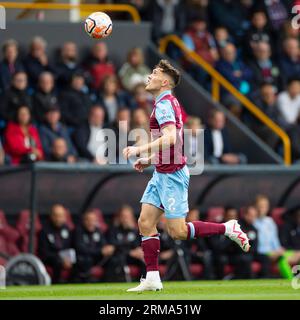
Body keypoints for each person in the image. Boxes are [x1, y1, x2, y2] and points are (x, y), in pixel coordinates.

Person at [123, 60, 250, 292]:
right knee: (145, 222)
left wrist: (140, 149)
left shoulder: (164, 105)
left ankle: (228, 228)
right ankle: (152, 277)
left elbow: (171, 138)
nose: (149, 75)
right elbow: (176, 142)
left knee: (178, 232)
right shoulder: (167, 102)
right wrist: (150, 160)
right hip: (161, 172)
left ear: (164, 82)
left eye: (154, 73)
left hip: (172, 175)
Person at [73, 210, 115, 282]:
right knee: (86, 260)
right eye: (88, 220)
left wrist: (108, 249)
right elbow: (81, 249)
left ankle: (108, 282)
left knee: (113, 260)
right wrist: (100, 251)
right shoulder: (78, 231)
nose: (91, 223)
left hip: (97, 258)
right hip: (83, 259)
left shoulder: (97, 231)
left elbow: (103, 245)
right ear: (84, 221)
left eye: (93, 220)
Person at [38, 204, 74, 283]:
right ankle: (55, 285)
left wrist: (70, 259)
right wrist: (61, 258)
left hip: (66, 258)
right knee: (58, 262)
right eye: (56, 216)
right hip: (51, 259)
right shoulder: (44, 231)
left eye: (61, 216)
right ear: (51, 216)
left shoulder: (67, 229)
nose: (58, 219)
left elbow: (71, 247)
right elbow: (44, 253)